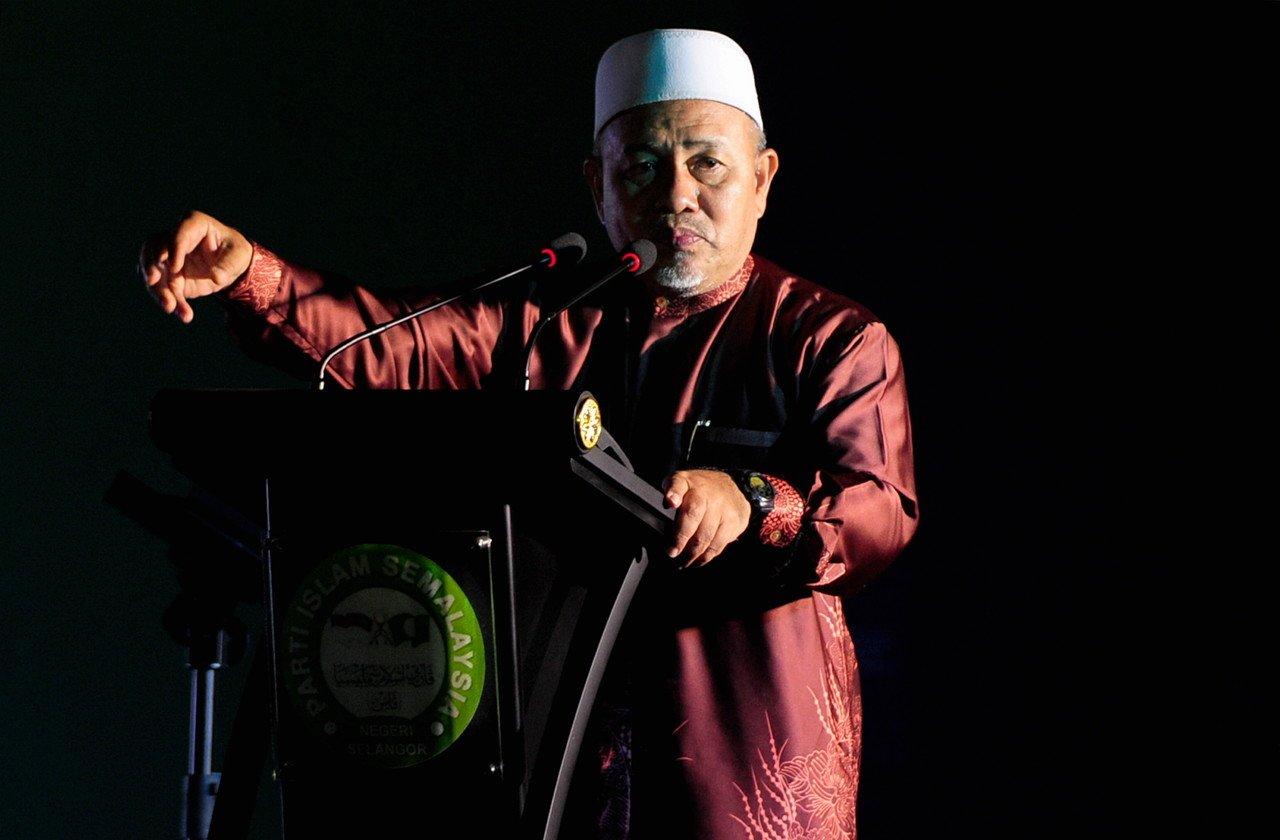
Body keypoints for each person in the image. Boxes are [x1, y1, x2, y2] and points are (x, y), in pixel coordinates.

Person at [138, 28, 919, 839]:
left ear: (762, 180)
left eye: (707, 163)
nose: (675, 193)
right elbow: (386, 342)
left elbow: (877, 508)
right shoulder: (548, 318)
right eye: (642, 167)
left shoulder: (830, 337)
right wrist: (250, 277)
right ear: (598, 186)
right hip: (555, 756)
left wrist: (753, 502)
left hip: (743, 751)